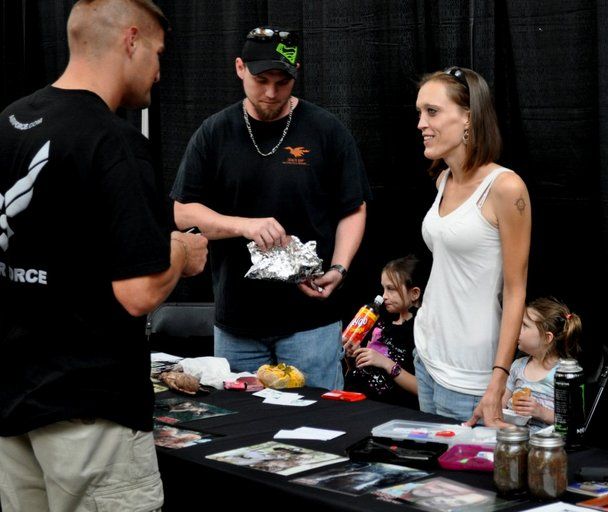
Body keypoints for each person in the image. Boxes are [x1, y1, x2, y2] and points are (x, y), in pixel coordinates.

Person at [0, 1, 208, 511]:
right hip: (90, 412)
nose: (159, 72)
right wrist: (182, 252)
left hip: (14, 400)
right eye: (158, 53)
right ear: (131, 41)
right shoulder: (114, 141)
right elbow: (138, 292)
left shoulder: (10, 121)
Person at [171, 26, 371, 390]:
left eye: (282, 82)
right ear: (239, 68)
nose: (271, 93)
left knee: (318, 419)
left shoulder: (326, 130)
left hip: (311, 322)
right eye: (261, 80)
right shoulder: (214, 132)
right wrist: (244, 226)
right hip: (238, 324)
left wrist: (340, 267)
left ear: (297, 74)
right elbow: (183, 213)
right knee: (244, 423)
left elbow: (353, 208)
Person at [413, 66, 532, 426]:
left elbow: (515, 290)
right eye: (420, 112)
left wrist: (498, 381)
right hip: (428, 359)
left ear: (468, 116)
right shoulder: (443, 180)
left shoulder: (505, 188)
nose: (421, 123)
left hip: (471, 376)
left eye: (432, 112)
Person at [345, 255, 425, 408]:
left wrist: (386, 363)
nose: (384, 296)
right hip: (356, 401)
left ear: (414, 293)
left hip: (389, 409)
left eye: (391, 289)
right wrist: (353, 358)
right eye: (384, 288)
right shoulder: (381, 322)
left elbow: (424, 390)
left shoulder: (420, 332)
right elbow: (359, 371)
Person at [503, 297, 582, 430]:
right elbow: (502, 404)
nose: (517, 329)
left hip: (548, 441)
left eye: (525, 325)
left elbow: (574, 420)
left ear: (547, 337)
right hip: (516, 436)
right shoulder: (517, 366)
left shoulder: (565, 374)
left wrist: (541, 412)